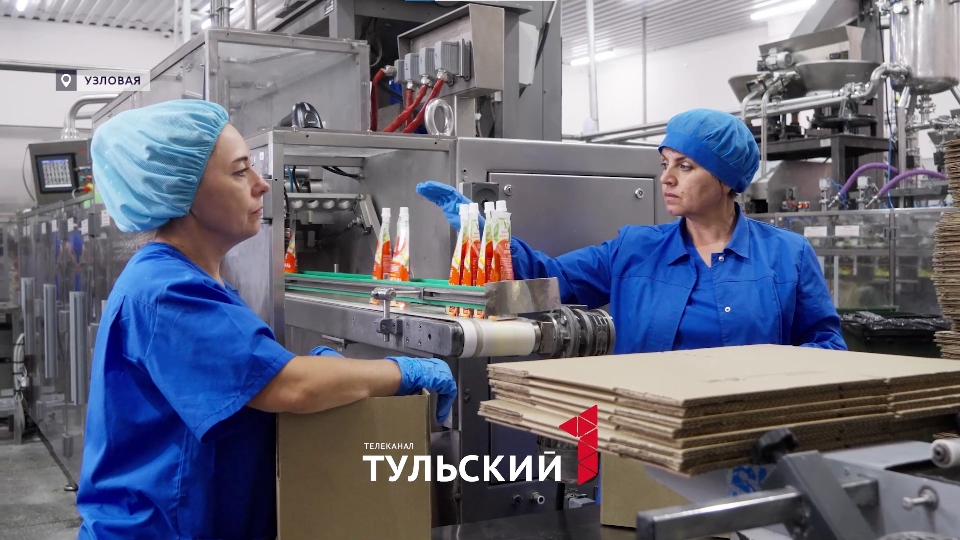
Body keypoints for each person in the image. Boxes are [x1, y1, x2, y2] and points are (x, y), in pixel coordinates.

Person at [76, 99, 458, 539]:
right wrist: (402, 371)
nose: (261, 185)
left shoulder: (194, 279)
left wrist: (320, 373)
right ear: (183, 192)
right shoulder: (166, 290)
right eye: (240, 172)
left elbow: (253, 379)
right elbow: (290, 387)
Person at [417, 108, 846, 353]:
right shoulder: (633, 249)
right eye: (665, 164)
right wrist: (487, 234)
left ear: (726, 179)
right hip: (644, 437)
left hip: (750, 443)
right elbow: (547, 283)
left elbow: (826, 344)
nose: (667, 178)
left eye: (685, 166)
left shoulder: (787, 255)